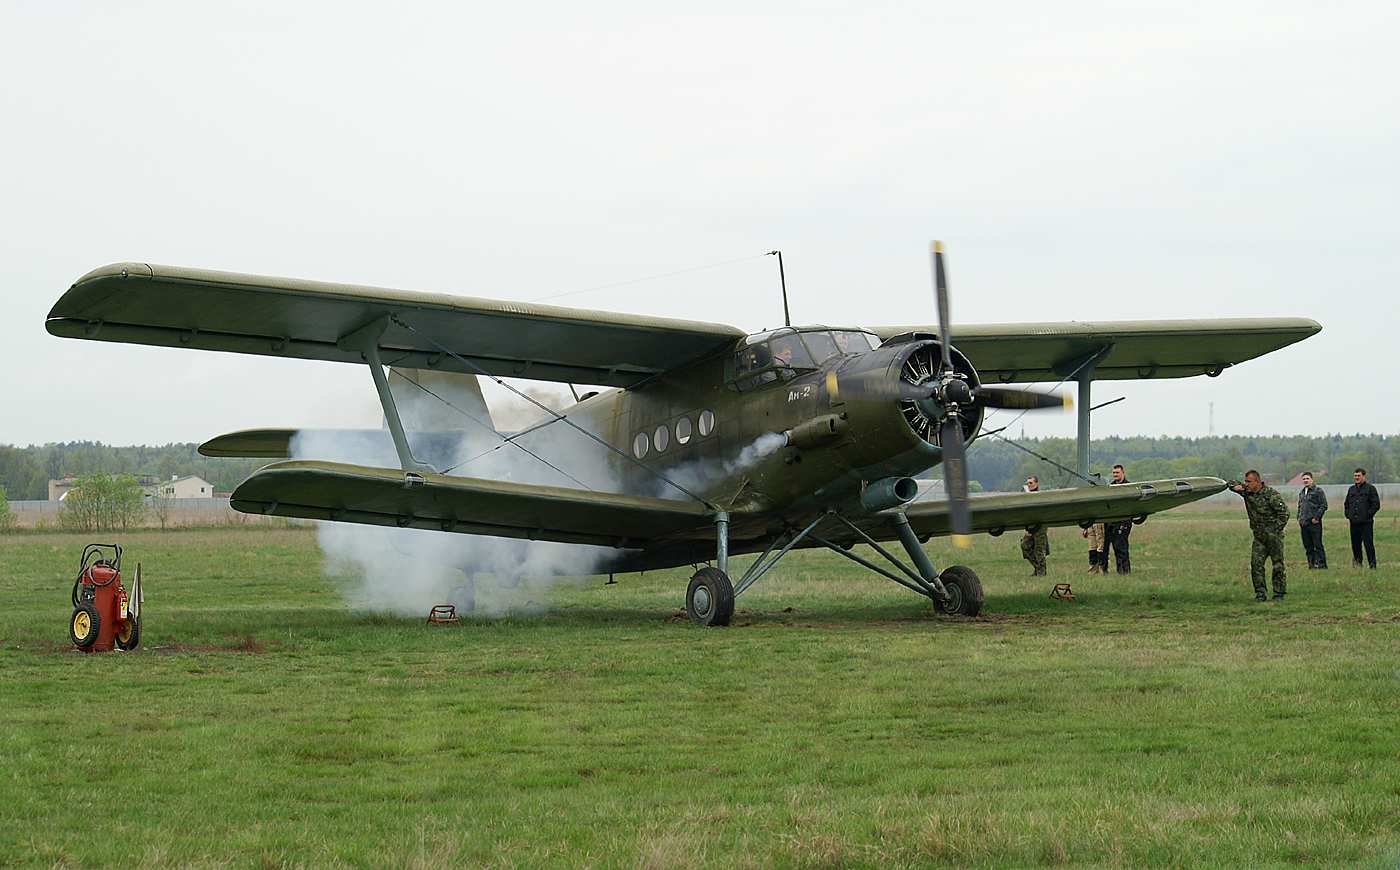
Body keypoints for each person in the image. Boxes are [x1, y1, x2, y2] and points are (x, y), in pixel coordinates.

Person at [1228, 470, 1289, 601]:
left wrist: (1274, 531)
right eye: (1245, 481)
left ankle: (1279, 593)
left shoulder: (1271, 495)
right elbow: (1231, 483)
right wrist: (1237, 486)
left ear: (1257, 482)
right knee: (1256, 565)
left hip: (1274, 537)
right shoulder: (1247, 492)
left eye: (1249, 482)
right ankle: (1260, 593)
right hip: (1259, 537)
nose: (1246, 484)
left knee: (1277, 565)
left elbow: (1284, 514)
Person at [1344, 467, 1381, 569]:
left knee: (1368, 545)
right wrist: (1348, 514)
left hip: (1366, 523)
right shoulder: (1351, 489)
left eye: (1358, 476)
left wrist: (1367, 515)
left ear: (1364, 476)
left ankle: (1372, 565)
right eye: (1355, 476)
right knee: (1355, 545)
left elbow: (1376, 505)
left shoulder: (1370, 488)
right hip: (1354, 523)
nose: (1356, 478)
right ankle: (1357, 564)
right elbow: (1346, 504)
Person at [1103, 464, 1132, 574]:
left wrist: (1125, 522)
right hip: (1111, 523)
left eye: (1117, 473)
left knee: (1121, 548)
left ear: (1123, 473)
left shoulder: (1129, 486)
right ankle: (1111, 570)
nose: (1115, 475)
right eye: (1114, 473)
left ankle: (1124, 571)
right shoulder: (1111, 486)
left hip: (1123, 522)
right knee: (1110, 549)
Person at [1296, 471, 1328, 569]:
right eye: (1304, 479)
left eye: (1307, 479)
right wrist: (1299, 517)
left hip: (1314, 523)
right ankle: (1311, 564)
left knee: (1317, 545)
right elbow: (1300, 506)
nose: (1305, 480)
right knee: (1308, 546)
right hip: (1304, 523)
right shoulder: (1302, 492)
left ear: (1312, 479)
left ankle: (1322, 564)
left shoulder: (1318, 491)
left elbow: (1324, 505)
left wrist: (1317, 517)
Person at [1020, 475, 1049, 576]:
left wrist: (1032, 530)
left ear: (1036, 484)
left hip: (1040, 526)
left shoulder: (1039, 496)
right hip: (1031, 526)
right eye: (1028, 483)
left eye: (1031, 483)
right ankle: (1038, 568)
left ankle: (1041, 573)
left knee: (1039, 550)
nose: (1029, 485)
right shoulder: (1027, 497)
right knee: (1024, 545)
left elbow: (1040, 515)